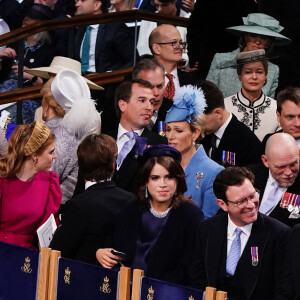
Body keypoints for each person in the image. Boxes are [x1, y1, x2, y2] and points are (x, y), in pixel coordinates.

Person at [96, 144, 204, 285]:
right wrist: (101, 253)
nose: (163, 184)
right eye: (155, 178)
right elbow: (112, 245)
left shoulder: (191, 216)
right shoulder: (132, 209)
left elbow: (188, 270)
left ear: (178, 180)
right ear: (146, 181)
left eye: (169, 177)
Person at [189, 166, 291, 300]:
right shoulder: (207, 229)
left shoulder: (279, 234)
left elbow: (283, 291)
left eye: (252, 195)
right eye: (241, 201)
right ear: (223, 204)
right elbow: (197, 281)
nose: (251, 205)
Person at [50, 134, 135, 265]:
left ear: (80, 167)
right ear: (113, 166)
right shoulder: (131, 200)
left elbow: (59, 252)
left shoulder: (77, 206)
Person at [74, 79, 167, 195]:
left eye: (152, 102)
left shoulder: (159, 144)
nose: (149, 107)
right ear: (123, 105)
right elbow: (80, 191)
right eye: (142, 100)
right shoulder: (99, 141)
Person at [40, 69, 101, 205]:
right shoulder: (68, 133)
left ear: (46, 102)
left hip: (50, 209)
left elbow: (44, 181)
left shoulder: (58, 136)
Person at [0, 120, 61, 249]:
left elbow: (48, 227)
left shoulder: (50, 181)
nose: (55, 156)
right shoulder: (3, 181)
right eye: (51, 152)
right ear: (35, 156)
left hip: (30, 255)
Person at [165, 85, 223, 218]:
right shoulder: (162, 165)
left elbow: (209, 221)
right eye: (168, 129)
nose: (170, 136)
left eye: (178, 130)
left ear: (195, 133)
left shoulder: (214, 171)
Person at [206, 13, 291, 98]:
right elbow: (208, 96)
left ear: (269, 42)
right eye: (253, 35)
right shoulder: (221, 60)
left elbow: (269, 105)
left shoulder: (273, 70)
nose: (258, 41)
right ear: (245, 37)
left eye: (264, 37)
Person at [0, 4, 58, 124]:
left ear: (39, 26)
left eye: (29, 21)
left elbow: (50, 85)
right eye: (24, 20)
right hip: (4, 90)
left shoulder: (50, 52)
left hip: (28, 96)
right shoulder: (15, 43)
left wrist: (31, 76)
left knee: (11, 113)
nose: (24, 23)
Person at [199, 80, 263, 167]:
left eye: (201, 120)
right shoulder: (203, 135)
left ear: (218, 113)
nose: (198, 125)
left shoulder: (247, 142)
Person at [224, 49, 278, 141]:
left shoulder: (276, 107)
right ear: (239, 75)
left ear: (265, 76)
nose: (254, 77)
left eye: (259, 72)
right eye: (248, 72)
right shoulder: (225, 106)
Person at [248, 133, 300, 228]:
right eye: (281, 167)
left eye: (293, 164)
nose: (288, 172)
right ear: (265, 161)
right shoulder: (247, 176)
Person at [70, 0, 136, 74]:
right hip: (81, 80)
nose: (77, 4)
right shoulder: (80, 30)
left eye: (82, 0)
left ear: (97, 5)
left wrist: (110, 75)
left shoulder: (115, 29)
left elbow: (133, 61)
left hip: (106, 82)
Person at [149, 24, 196, 100]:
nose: (180, 47)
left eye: (181, 43)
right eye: (174, 43)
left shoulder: (193, 81)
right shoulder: (142, 80)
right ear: (157, 48)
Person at [132, 58, 172, 134]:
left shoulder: (174, 111)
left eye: (160, 86)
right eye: (150, 87)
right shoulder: (123, 112)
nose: (156, 93)